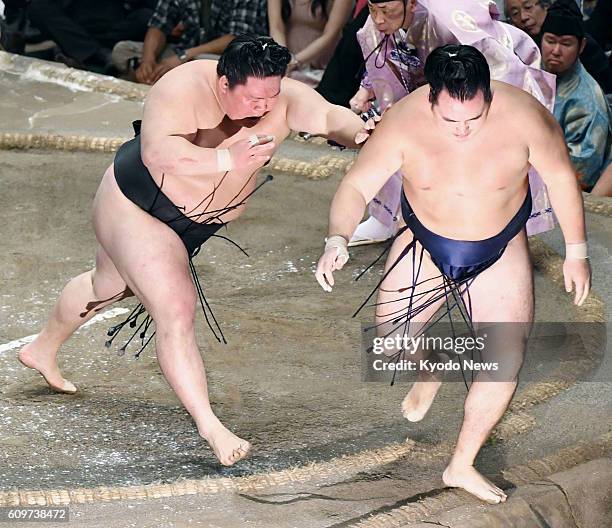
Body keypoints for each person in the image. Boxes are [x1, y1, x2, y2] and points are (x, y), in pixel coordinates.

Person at [18, 35, 366, 467]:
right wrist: (228, 159)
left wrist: (361, 132)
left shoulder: (281, 98)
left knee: (105, 284)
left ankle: (41, 349)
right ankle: (211, 427)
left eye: (272, 95)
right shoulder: (181, 86)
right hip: (136, 202)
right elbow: (159, 152)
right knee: (176, 308)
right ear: (225, 83)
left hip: (195, 223)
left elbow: (332, 117)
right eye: (254, 97)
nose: (265, 105)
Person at [315, 44, 591, 504]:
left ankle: (461, 463)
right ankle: (434, 367)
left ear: (488, 94)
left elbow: (561, 178)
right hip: (424, 239)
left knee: (504, 362)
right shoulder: (403, 122)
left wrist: (577, 252)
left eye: (473, 118)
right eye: (450, 121)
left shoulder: (525, 117)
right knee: (391, 346)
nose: (462, 131)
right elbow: (356, 185)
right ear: (431, 99)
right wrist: (336, 239)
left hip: (498, 244)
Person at [348, 0, 556, 246]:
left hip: (499, 74)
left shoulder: (448, 19)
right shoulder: (377, 23)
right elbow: (384, 59)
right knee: (396, 129)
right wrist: (366, 88)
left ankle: (500, 227)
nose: (378, 18)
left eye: (385, 10)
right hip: (437, 84)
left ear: (411, 3)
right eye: (373, 9)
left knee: (482, 146)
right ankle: (385, 217)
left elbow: (496, 64)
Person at [540, 0, 612, 190]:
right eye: (550, 41)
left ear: (581, 47)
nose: (556, 51)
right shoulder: (530, 72)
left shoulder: (588, 103)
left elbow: (580, 175)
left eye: (566, 44)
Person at [112, 0, 267, 85]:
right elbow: (159, 25)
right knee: (123, 50)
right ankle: (153, 77)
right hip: (185, 54)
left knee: (204, 65)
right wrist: (147, 60)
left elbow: (236, 38)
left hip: (226, 58)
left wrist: (183, 56)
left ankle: (169, 80)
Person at [505, 0, 612, 93]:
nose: (523, 17)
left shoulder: (580, 42)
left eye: (528, 7)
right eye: (515, 13)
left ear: (546, 5)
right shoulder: (514, 49)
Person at [27, 0, 154, 73]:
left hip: (114, 24)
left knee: (146, 17)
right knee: (38, 8)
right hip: (75, 22)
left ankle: (75, 50)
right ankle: (96, 53)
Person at [267, 0, 353, 87]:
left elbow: (330, 34)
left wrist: (295, 61)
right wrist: (284, 59)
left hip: (320, 67)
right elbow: (276, 26)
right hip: (287, 61)